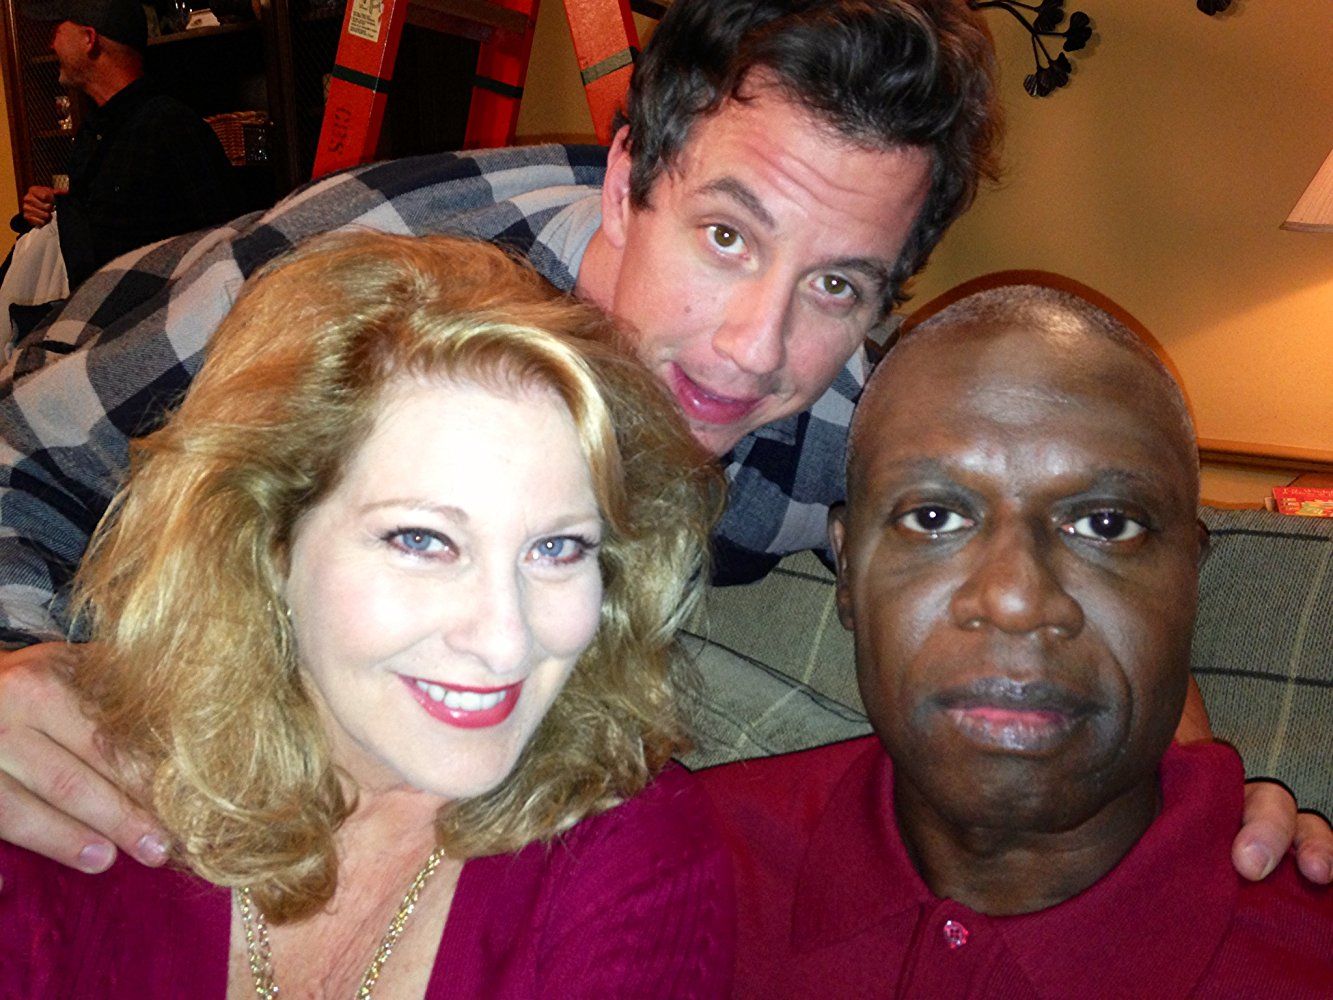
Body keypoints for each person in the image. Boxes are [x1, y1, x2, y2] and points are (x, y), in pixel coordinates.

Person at [0, 0, 1323, 887]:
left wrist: (1206, 806)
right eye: (727, 236)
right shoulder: (376, 290)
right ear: (630, 183)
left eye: (836, 283)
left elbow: (1066, 576)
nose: (752, 350)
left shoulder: (842, 413)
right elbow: (27, 453)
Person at [0, 231, 732, 996]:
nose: (504, 641)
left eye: (557, 548)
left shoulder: (626, 858)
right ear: (267, 541)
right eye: (421, 540)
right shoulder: (68, 796)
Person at [697, 285, 1333, 997]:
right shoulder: (667, 864)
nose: (1015, 601)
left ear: (1190, 576)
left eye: (1105, 525)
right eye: (933, 518)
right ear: (846, 573)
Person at [8, 0, 237, 295]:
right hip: (96, 315)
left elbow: (221, 242)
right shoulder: (94, 132)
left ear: (89, 39)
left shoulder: (171, 125)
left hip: (159, 318)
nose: (51, 45)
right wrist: (50, 210)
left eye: (57, 31)